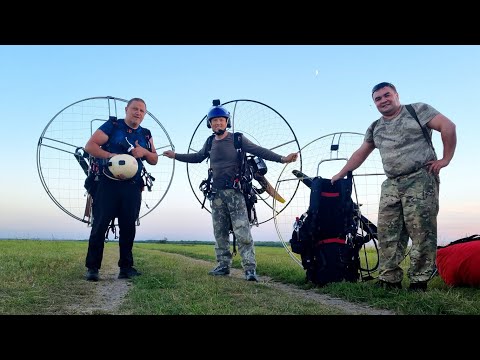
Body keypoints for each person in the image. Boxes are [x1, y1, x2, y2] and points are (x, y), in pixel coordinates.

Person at [331, 82, 456, 291]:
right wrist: (341, 173)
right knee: (388, 232)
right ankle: (389, 279)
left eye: (386, 95)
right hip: (391, 183)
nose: (383, 100)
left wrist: (445, 159)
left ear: (396, 95)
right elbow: (361, 153)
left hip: (420, 178)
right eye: (377, 99)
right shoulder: (375, 127)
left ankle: (419, 280)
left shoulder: (417, 110)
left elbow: (448, 126)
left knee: (421, 230)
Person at [163, 102, 298, 282]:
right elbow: (197, 157)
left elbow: (260, 151)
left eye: (221, 120)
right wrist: (176, 155)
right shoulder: (210, 142)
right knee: (219, 232)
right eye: (214, 121)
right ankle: (223, 265)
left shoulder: (238, 139)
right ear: (209, 124)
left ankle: (250, 269)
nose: (218, 123)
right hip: (216, 194)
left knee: (242, 231)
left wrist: (283, 159)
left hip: (236, 193)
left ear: (227, 122)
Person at [84, 98, 158, 281]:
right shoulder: (113, 126)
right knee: (100, 225)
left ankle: (126, 267)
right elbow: (90, 146)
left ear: (144, 114)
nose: (138, 113)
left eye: (141, 110)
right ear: (126, 109)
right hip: (107, 184)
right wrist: (111, 156)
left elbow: (154, 159)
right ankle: (92, 268)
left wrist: (145, 153)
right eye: (134, 109)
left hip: (132, 187)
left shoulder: (146, 134)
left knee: (128, 227)